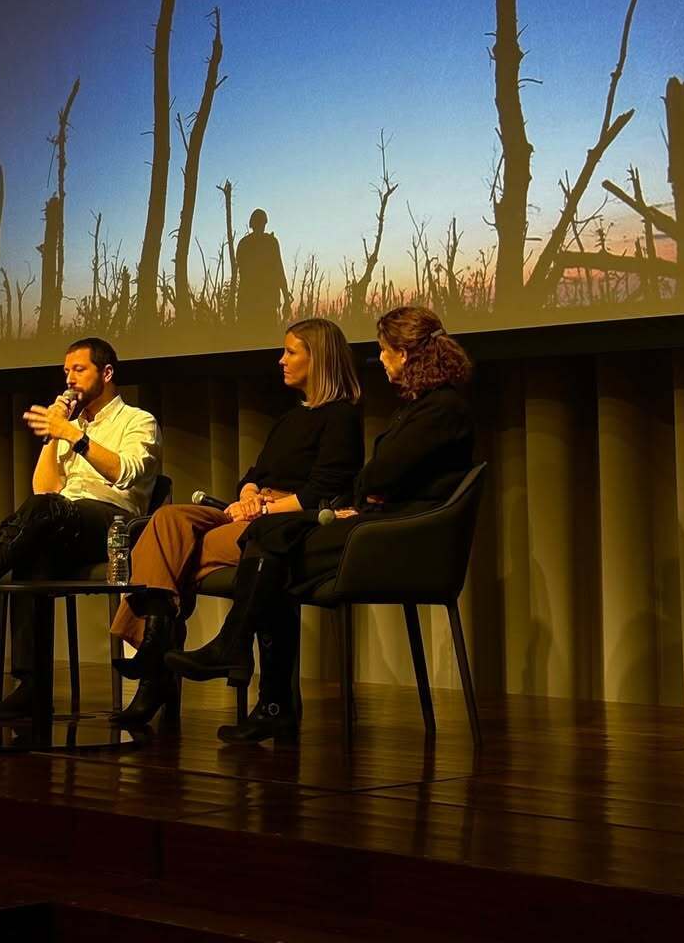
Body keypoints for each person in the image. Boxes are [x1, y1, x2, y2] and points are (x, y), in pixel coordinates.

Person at [166, 306, 475, 743]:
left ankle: (251, 672)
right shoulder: (423, 406)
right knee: (274, 539)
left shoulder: (440, 409)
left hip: (402, 535)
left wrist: (368, 491)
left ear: (404, 354)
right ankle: (261, 687)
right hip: (383, 522)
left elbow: (378, 476)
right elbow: (376, 476)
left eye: (384, 351)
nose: (380, 359)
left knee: (274, 544)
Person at [110, 317, 363, 730]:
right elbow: (254, 474)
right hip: (253, 511)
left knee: (174, 556)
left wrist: (262, 510)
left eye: (291, 352)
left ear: (318, 359)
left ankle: (154, 667)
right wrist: (248, 494)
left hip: (287, 523)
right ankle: (156, 649)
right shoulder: (292, 417)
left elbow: (324, 492)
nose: (281, 360)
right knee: (167, 521)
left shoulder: (341, 417)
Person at [0, 336, 159, 720]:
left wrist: (73, 436)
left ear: (107, 373)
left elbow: (125, 473)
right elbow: (44, 489)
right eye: (66, 371)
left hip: (113, 524)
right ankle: (32, 688)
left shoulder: (138, 421)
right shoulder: (68, 427)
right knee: (30, 550)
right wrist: (52, 438)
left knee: (40, 520)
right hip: (63, 521)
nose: (70, 379)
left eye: (79, 369)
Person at [235, 209, 291, 334]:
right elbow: (280, 272)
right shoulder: (270, 242)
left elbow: (239, 275)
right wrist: (286, 300)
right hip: (264, 305)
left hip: (250, 305)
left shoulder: (243, 243)